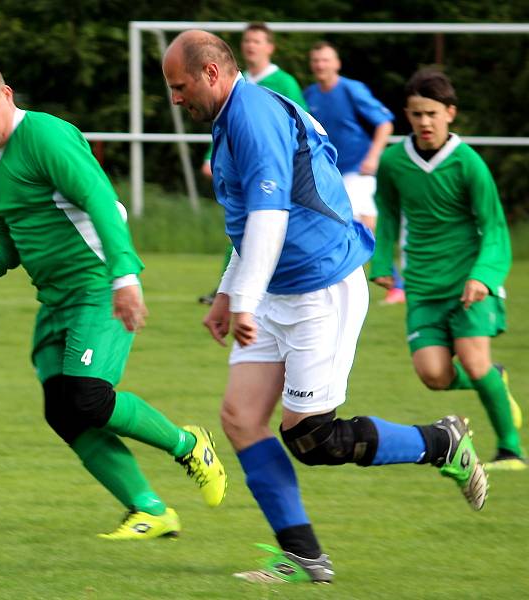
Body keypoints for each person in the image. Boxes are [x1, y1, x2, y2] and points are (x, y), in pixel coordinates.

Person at [162, 30, 488, 585]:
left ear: (211, 73)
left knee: (313, 438)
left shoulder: (252, 116)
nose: (175, 97)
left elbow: (271, 217)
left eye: (180, 85)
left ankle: (442, 442)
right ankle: (305, 557)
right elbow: (247, 223)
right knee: (241, 418)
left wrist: (242, 300)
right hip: (274, 285)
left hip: (319, 285)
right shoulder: (233, 115)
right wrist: (228, 292)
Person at [0, 58, 227, 539]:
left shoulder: (47, 138)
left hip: (97, 284)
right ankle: (150, 509)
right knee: (62, 410)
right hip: (56, 300)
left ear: (7, 95)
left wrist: (125, 277)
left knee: (88, 397)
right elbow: (6, 242)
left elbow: (101, 200)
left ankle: (189, 444)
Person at [371, 68, 524, 471]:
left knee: (473, 363)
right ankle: (495, 380)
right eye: (417, 114)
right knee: (434, 375)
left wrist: (484, 277)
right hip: (422, 284)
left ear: (450, 113)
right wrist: (383, 261)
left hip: (467, 282)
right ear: (407, 114)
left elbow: (493, 226)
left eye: (432, 114)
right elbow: (387, 214)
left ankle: (510, 450)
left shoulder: (468, 163)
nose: (424, 122)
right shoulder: (392, 162)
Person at [198, 22, 308, 305]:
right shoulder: (239, 80)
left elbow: (299, 125)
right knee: (240, 225)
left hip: (269, 171)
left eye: (258, 41)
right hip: (239, 167)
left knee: (260, 224)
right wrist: (211, 157)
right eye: (247, 41)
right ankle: (232, 291)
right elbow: (226, 125)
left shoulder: (283, 83)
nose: (251, 46)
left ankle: (247, 290)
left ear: (270, 47)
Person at [304, 41, 405, 305]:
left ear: (337, 63)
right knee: (348, 224)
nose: (320, 65)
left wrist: (373, 156)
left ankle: (395, 283)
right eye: (316, 60)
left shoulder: (351, 89)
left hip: (359, 168)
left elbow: (385, 123)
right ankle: (379, 280)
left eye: (325, 60)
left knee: (362, 222)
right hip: (330, 173)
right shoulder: (310, 95)